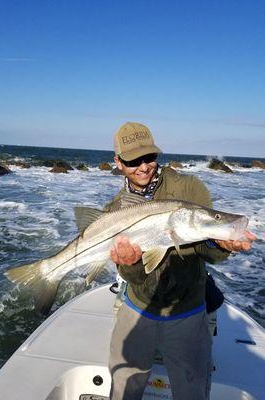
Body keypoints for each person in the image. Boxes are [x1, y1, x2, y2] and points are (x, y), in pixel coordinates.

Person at [105, 122, 256, 400]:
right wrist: (130, 263)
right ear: (117, 162)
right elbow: (134, 276)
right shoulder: (115, 209)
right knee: (124, 386)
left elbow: (207, 250)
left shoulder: (189, 188)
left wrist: (222, 243)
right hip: (138, 307)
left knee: (192, 391)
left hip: (186, 310)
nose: (143, 167)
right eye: (132, 160)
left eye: (149, 157)